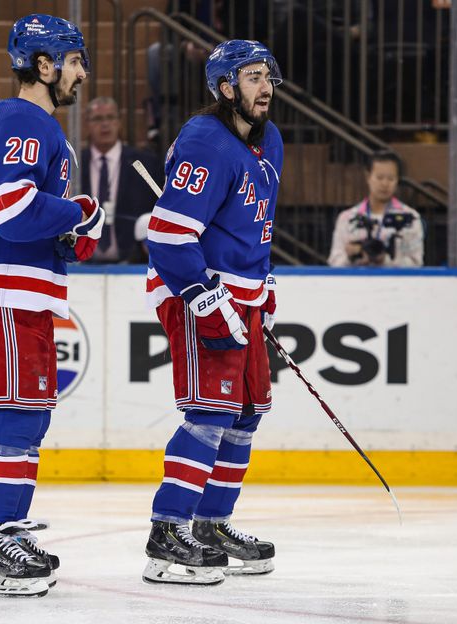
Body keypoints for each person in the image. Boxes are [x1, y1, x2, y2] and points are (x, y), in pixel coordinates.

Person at [0, 14, 104, 598]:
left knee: (29, 413)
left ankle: (5, 528)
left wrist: (71, 230)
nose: (83, 74)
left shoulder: (23, 123)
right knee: (14, 413)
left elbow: (24, 215)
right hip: (2, 286)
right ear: (44, 64)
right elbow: (11, 210)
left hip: (15, 285)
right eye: (76, 61)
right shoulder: (22, 117)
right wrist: (78, 210)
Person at [142, 39, 283, 585]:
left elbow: (254, 225)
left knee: (245, 415)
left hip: (242, 294)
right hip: (196, 291)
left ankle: (210, 525)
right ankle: (167, 533)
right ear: (225, 87)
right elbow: (170, 237)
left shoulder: (270, 139)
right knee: (209, 417)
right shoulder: (204, 139)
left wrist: (262, 287)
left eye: (267, 75)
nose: (264, 86)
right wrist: (204, 298)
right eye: (251, 77)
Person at [80, 97, 162, 263]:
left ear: (119, 122)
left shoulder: (146, 164)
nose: (105, 124)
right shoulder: (75, 164)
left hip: (134, 265)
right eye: (97, 119)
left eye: (110, 117)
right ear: (87, 124)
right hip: (81, 263)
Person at [327, 151, 424, 267]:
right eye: (379, 178)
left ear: (398, 180)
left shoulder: (410, 217)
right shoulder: (348, 217)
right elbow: (334, 262)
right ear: (368, 177)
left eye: (391, 178)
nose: (384, 184)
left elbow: (416, 263)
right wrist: (352, 257)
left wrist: (385, 260)